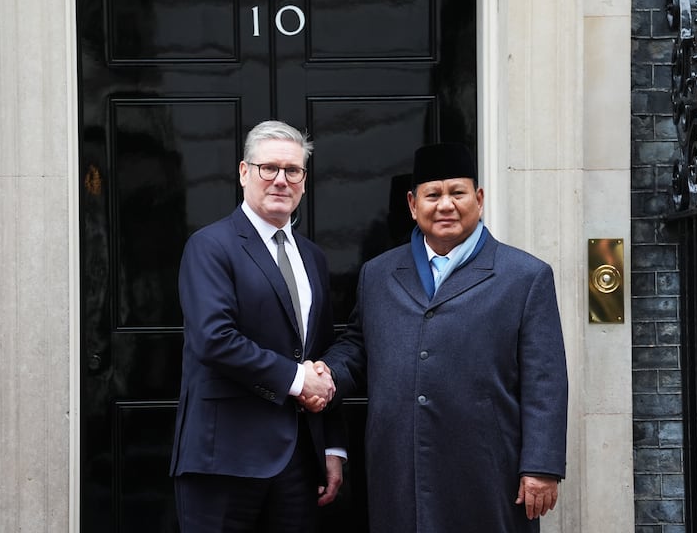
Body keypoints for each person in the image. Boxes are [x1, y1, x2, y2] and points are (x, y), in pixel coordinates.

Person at [309, 142, 568, 532]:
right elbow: (359, 346)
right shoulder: (378, 274)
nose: (445, 205)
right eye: (433, 195)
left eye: (457, 193)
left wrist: (542, 466)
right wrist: (326, 374)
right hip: (398, 468)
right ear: (413, 205)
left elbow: (545, 378)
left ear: (478, 199)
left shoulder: (524, 276)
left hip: (488, 470)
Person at [169, 120, 344, 533]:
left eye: (293, 171)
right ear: (244, 172)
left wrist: (332, 447)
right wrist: (298, 381)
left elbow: (321, 352)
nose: (281, 180)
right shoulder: (211, 246)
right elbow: (215, 339)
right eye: (269, 168)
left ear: (304, 180)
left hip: (299, 462)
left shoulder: (313, 257)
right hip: (223, 459)